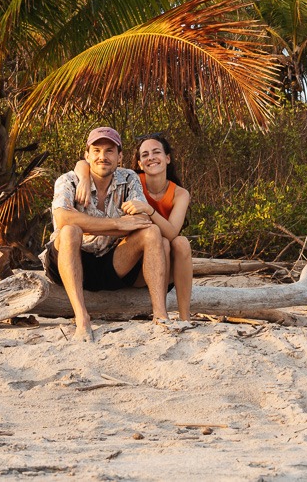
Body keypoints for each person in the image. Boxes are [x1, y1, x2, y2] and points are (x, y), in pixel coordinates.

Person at [40, 126, 170, 342]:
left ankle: (160, 315)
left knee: (152, 231)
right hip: (70, 257)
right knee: (71, 230)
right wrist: (118, 225)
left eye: (110, 151)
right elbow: (63, 219)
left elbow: (142, 220)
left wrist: (98, 225)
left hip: (111, 261)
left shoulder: (128, 178)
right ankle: (82, 319)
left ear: (120, 156)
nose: (103, 156)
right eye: (97, 150)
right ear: (87, 155)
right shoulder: (69, 180)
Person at [75, 133, 193, 323]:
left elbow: (172, 233)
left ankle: (185, 317)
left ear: (167, 158)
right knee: (159, 241)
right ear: (139, 163)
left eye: (156, 152)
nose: (151, 158)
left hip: (165, 258)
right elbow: (83, 163)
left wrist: (149, 210)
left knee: (180, 242)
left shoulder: (180, 194)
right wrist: (84, 178)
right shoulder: (132, 180)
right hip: (135, 262)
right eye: (145, 155)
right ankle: (160, 310)